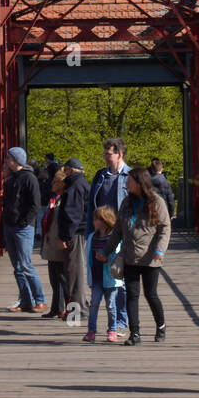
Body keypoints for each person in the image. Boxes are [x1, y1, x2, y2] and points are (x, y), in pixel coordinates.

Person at [105, 165, 171, 345]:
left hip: (150, 257)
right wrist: (106, 251)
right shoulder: (127, 202)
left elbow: (165, 229)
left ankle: (161, 326)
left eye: (130, 181)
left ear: (140, 182)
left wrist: (160, 250)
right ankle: (135, 333)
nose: (127, 183)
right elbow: (118, 230)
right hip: (130, 256)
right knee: (132, 295)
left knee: (151, 294)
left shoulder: (156, 202)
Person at [88, 138, 132, 331]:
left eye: (109, 153)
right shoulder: (100, 176)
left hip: (122, 233)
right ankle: (111, 323)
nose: (105, 157)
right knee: (103, 275)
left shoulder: (130, 176)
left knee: (120, 278)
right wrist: (90, 231)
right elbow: (91, 204)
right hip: (102, 234)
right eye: (105, 153)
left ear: (120, 154)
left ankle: (121, 321)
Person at [0, 147, 47, 313]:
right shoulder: (11, 180)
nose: (5, 161)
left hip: (22, 228)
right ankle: (26, 300)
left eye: (8, 158)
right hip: (10, 226)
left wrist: (24, 222)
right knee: (17, 266)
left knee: (25, 265)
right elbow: (6, 206)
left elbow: (35, 203)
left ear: (16, 160)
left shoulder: (29, 178)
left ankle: (40, 299)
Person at [83, 206, 124, 343]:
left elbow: (117, 254)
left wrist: (107, 259)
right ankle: (91, 331)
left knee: (111, 305)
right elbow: (88, 258)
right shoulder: (91, 237)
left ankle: (112, 330)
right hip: (96, 276)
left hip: (110, 277)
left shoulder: (114, 237)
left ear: (105, 220)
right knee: (94, 303)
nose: (94, 222)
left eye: (97, 219)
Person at [58, 157, 90, 323]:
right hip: (79, 233)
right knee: (75, 272)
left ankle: (77, 313)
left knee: (74, 273)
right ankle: (79, 309)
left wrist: (65, 236)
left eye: (65, 169)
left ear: (70, 169)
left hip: (75, 234)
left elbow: (72, 214)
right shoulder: (80, 184)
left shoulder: (74, 187)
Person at [40, 166, 68, 319]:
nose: (52, 183)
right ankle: (56, 307)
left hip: (59, 242)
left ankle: (66, 310)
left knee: (63, 278)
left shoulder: (63, 199)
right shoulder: (54, 199)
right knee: (53, 277)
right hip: (51, 241)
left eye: (55, 181)